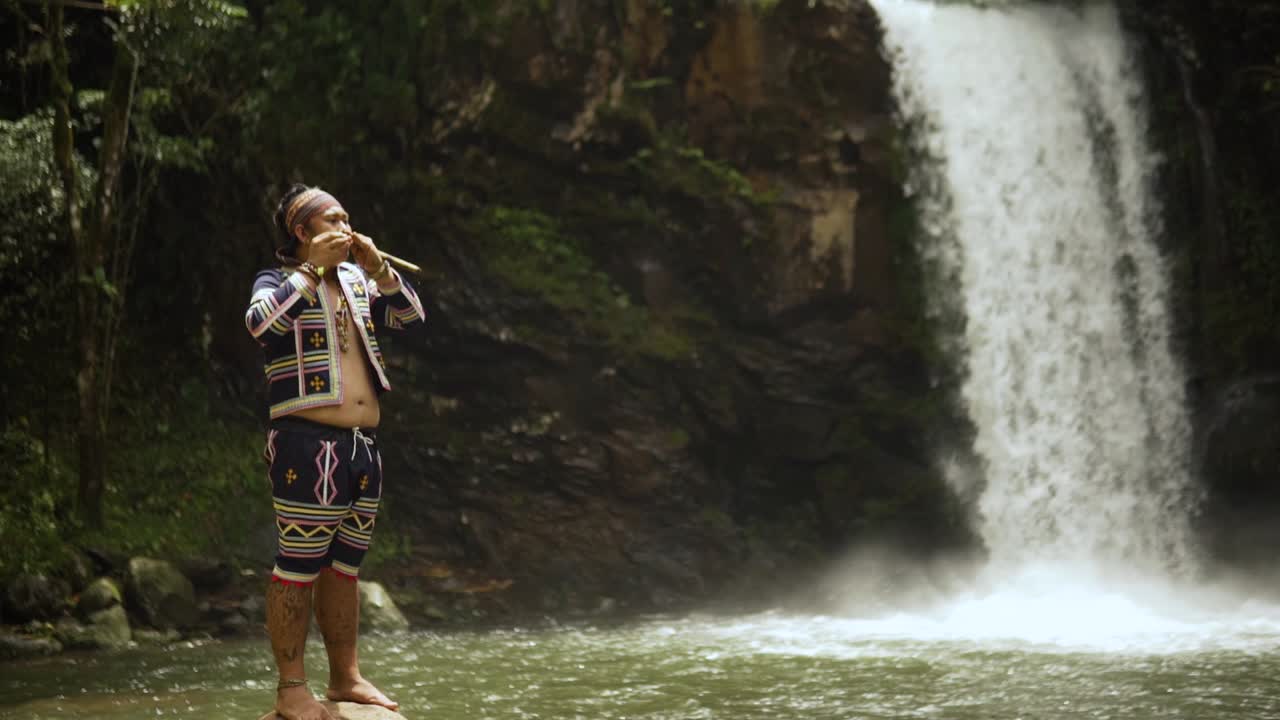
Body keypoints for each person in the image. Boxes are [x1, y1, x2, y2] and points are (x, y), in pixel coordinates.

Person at [244, 184, 425, 720]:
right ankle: (290, 689)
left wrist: (380, 270)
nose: (348, 225)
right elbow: (259, 325)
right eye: (335, 218)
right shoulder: (277, 280)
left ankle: (345, 678)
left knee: (344, 568)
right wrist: (307, 274)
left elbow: (413, 318)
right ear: (303, 231)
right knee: (297, 565)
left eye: (350, 217)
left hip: (363, 447)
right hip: (307, 444)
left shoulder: (356, 279)